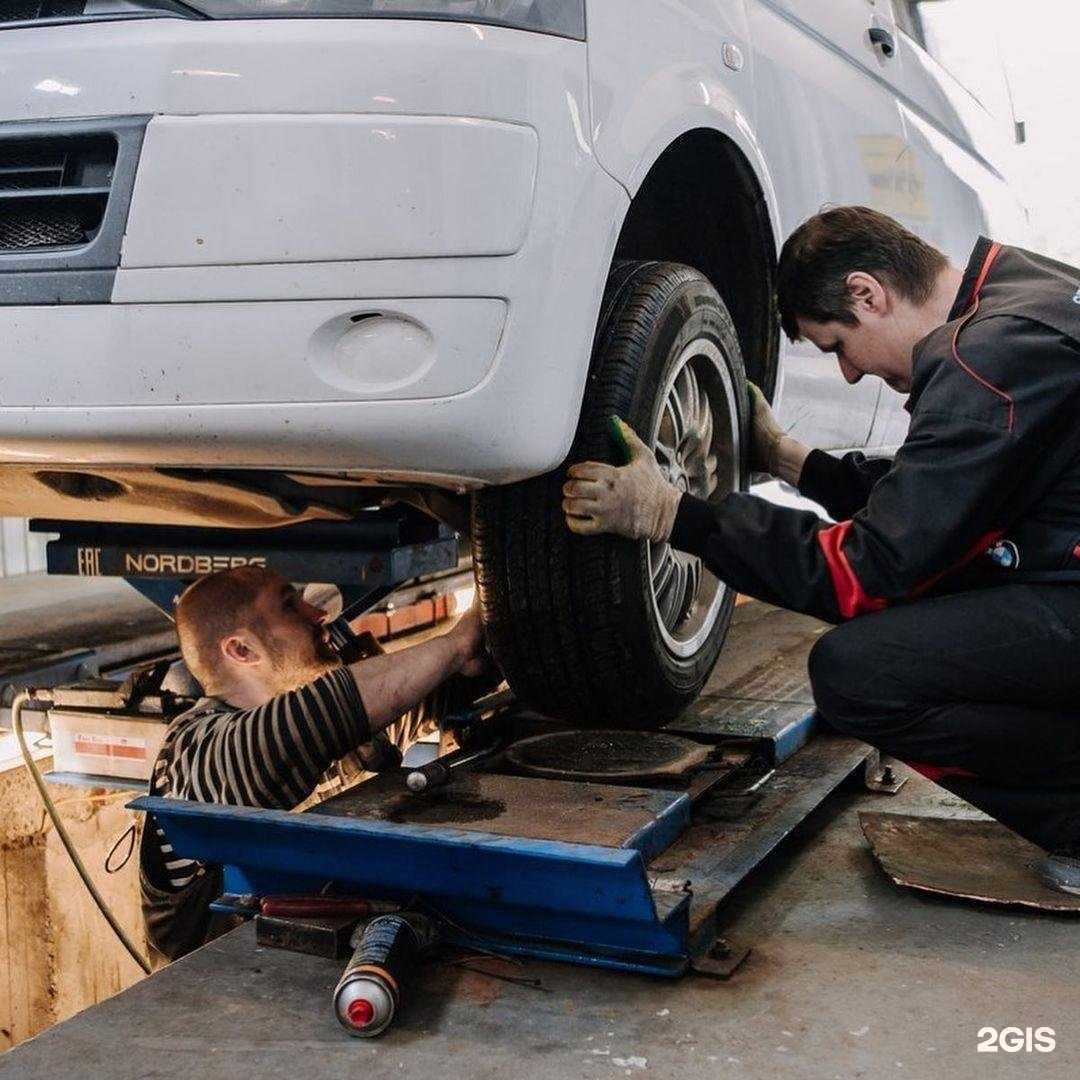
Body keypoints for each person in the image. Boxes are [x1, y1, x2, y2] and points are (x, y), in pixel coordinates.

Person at [562, 206, 1080, 895]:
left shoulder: (984, 363)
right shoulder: (1025, 291)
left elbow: (867, 572)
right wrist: (792, 460)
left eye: (836, 344)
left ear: (868, 293)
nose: (846, 373)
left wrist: (675, 516)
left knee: (856, 675)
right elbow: (951, 492)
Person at [140, 565, 489, 960]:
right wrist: (456, 644)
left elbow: (434, 689)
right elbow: (301, 728)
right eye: (290, 606)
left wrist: (483, 629)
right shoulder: (191, 751)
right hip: (220, 1003)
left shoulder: (330, 732)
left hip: (336, 961)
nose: (318, 615)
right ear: (242, 650)